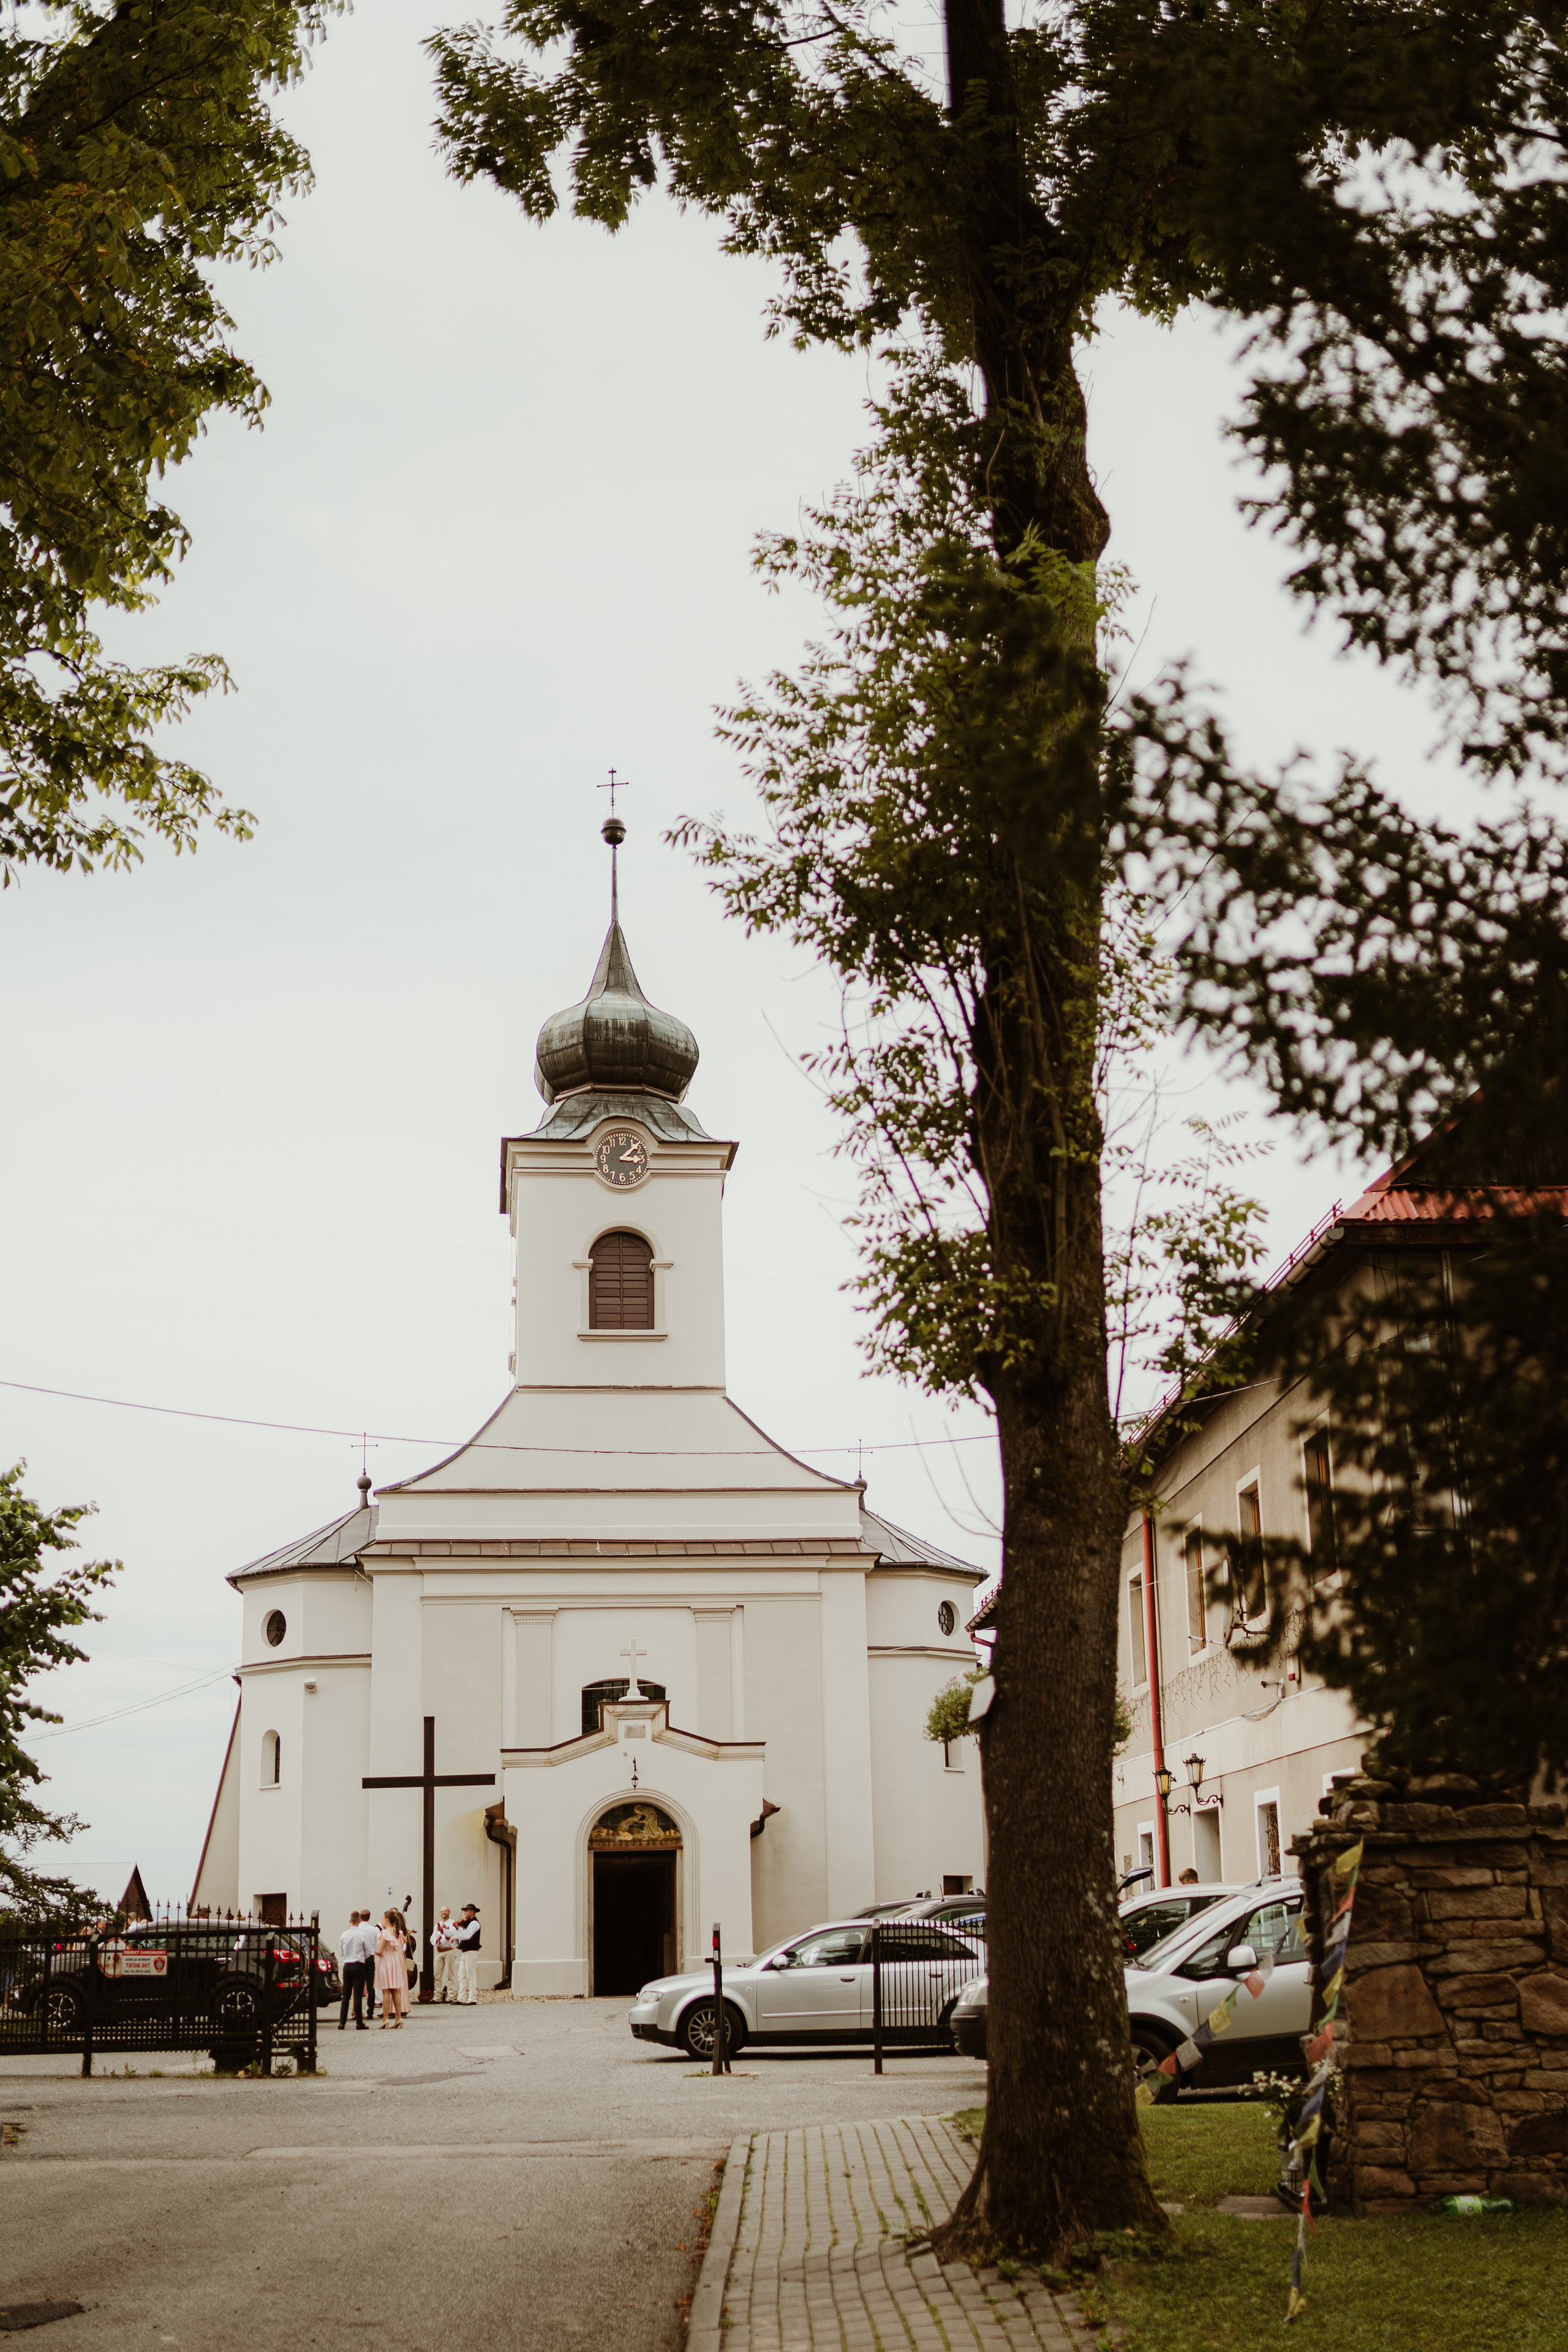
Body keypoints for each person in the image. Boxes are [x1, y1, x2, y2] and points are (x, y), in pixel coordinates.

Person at [375, 1909, 409, 2029]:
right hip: (395, 1961)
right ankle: (398, 2018)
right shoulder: (397, 1932)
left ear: (387, 1920)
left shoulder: (385, 1933)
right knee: (395, 1990)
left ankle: (385, 2019)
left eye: (383, 1919)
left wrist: (372, 1952)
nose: (382, 1921)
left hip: (386, 1961)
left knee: (386, 1990)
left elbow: (380, 1951)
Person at [337, 1910, 369, 2030]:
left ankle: (342, 2022)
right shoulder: (362, 1934)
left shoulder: (344, 1935)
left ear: (350, 1921)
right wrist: (361, 1958)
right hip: (358, 1964)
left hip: (347, 1965)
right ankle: (359, 2022)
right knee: (358, 1995)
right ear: (360, 1921)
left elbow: (341, 1952)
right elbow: (368, 1951)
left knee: (346, 1995)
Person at [453, 1904, 480, 2006]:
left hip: (472, 1951)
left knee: (471, 1975)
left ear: (472, 1912)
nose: (465, 1913)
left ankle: (473, 1998)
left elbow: (467, 1936)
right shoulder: (467, 1924)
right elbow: (462, 1936)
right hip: (465, 1951)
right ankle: (461, 1997)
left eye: (467, 1911)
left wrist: (458, 1929)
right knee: (461, 1975)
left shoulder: (474, 1924)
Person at [432, 1907, 458, 2003]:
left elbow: (453, 1933)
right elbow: (432, 1938)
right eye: (442, 1911)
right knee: (437, 1975)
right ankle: (437, 1997)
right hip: (439, 1951)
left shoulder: (452, 1923)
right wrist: (437, 1940)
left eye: (446, 1911)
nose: (444, 1913)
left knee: (449, 1974)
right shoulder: (437, 1925)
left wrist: (443, 1930)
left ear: (449, 1912)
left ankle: (450, 1997)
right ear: (440, 1913)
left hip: (449, 1950)